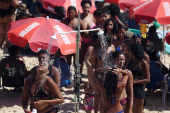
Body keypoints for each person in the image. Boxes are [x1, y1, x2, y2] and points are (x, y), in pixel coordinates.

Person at [91, 34, 115, 113]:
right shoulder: (96, 50)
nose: (103, 44)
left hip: (109, 74)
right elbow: (93, 65)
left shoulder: (111, 47)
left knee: (105, 95)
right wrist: (94, 78)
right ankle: (95, 111)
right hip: (99, 74)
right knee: (97, 94)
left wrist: (110, 50)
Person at [127, 43, 150, 113]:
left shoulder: (143, 63)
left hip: (138, 90)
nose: (128, 51)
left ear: (134, 51)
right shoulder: (130, 61)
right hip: (129, 90)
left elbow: (148, 79)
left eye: (130, 50)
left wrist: (134, 82)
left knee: (138, 111)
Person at [61, 6, 83, 71]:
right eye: (70, 13)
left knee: (76, 62)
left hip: (76, 43)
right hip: (67, 43)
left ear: (75, 13)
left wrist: (81, 35)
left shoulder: (79, 21)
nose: (71, 14)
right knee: (68, 61)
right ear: (67, 13)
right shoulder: (64, 21)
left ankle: (77, 77)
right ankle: (67, 77)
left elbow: (84, 31)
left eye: (72, 13)